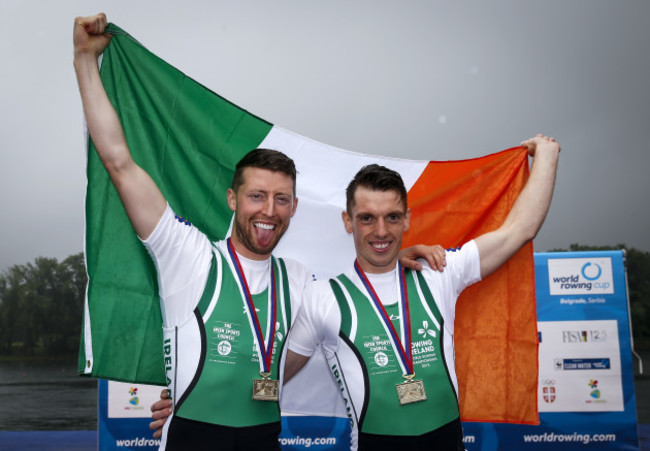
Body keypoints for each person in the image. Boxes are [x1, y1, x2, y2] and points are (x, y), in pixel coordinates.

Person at [74, 13, 446, 450]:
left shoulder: (297, 278)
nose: (268, 211)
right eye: (257, 196)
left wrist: (395, 260)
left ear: (293, 207)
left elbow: (355, 289)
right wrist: (83, 59)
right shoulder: (187, 254)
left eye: (281, 199)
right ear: (233, 199)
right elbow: (120, 162)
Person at [284, 135, 560, 450]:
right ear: (348, 221)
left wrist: (548, 153)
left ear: (407, 219)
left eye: (392, 217)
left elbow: (520, 229)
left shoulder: (441, 273)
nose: (381, 231)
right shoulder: (322, 298)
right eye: (367, 219)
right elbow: (273, 378)